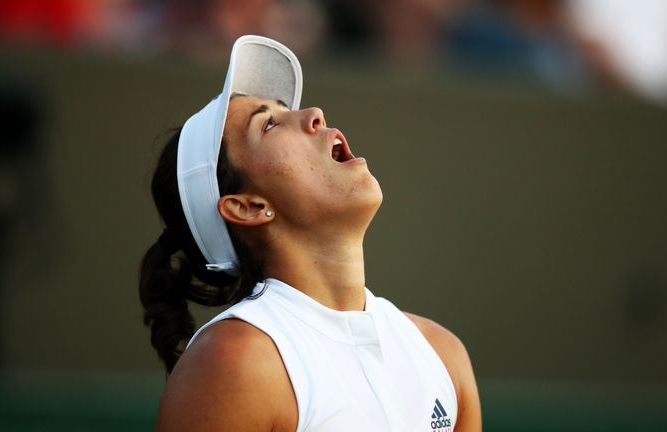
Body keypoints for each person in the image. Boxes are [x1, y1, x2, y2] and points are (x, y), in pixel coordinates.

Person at [139, 35, 481, 431]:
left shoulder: (443, 353)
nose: (314, 114)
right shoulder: (236, 361)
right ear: (248, 207)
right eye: (269, 124)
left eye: (288, 109)